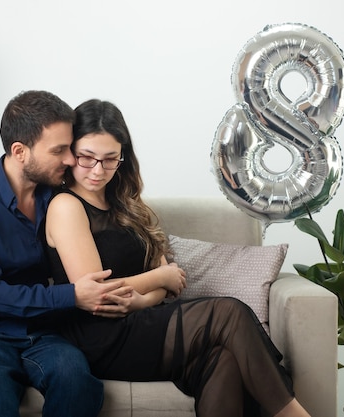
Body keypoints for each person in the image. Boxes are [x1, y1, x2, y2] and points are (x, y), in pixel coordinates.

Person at [43, 98, 313, 417]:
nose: (97, 170)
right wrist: (161, 278)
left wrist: (144, 298)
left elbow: (167, 287)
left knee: (222, 361)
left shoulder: (127, 207)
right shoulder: (66, 206)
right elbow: (99, 294)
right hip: (99, 336)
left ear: (122, 159)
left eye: (109, 159)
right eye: (86, 158)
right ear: (70, 153)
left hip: (142, 321)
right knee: (228, 313)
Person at [0, 90, 127, 417]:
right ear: (20, 151)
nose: (69, 160)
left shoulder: (57, 197)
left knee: (77, 381)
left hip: (39, 333)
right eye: (59, 150)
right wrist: (71, 296)